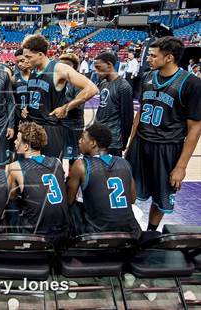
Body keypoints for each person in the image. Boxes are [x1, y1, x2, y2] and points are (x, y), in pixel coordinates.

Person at [126, 37, 201, 231]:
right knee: (129, 190)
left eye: (153, 55)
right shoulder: (147, 77)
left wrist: (181, 167)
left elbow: (195, 128)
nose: (148, 59)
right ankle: (125, 227)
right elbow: (140, 112)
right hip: (141, 144)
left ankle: (150, 233)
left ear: (169, 57)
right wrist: (131, 143)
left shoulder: (191, 83)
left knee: (161, 198)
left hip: (168, 148)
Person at [22, 35, 98, 159]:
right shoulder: (34, 69)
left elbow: (92, 88)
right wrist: (28, 107)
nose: (25, 60)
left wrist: (66, 107)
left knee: (48, 171)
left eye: (28, 57)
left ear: (41, 54)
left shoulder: (58, 68)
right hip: (33, 125)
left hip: (50, 129)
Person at [67, 123, 141, 239]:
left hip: (98, 233)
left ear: (93, 143)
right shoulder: (124, 163)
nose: (79, 141)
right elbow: (132, 199)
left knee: (69, 208)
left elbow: (69, 200)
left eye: (83, 138)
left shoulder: (81, 165)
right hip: (130, 232)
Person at [6, 122, 70, 247]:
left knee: (11, 204)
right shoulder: (57, 161)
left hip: (37, 236)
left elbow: (11, 196)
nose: (14, 142)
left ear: (25, 147)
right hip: (63, 232)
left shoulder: (14, 167)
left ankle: (13, 242)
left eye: (17, 139)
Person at [94, 52, 134, 156]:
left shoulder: (124, 87)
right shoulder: (103, 83)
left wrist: (123, 142)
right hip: (99, 138)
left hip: (113, 142)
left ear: (109, 65)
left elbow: (127, 119)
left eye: (98, 67)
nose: (96, 71)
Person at [59, 53, 85, 163]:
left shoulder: (80, 81)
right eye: (61, 65)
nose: (62, 67)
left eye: (66, 65)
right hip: (61, 123)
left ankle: (73, 179)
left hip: (74, 125)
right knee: (58, 154)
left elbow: (79, 104)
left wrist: (63, 106)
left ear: (73, 67)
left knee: (73, 158)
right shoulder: (60, 80)